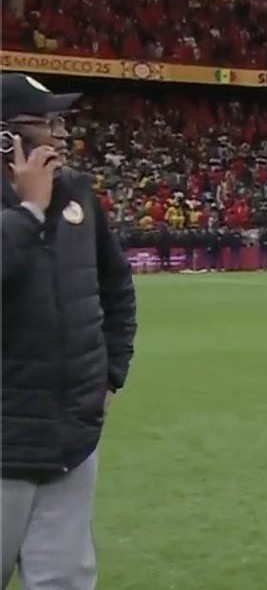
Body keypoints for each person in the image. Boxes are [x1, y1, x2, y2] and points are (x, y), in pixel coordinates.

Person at [1, 72, 138, 590]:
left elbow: (117, 287)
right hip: (6, 444)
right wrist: (29, 210)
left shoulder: (77, 191)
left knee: (63, 581)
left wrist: (111, 374)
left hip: (71, 440)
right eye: (47, 122)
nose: (61, 135)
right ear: (6, 137)